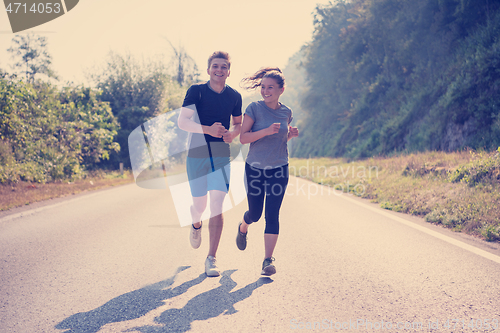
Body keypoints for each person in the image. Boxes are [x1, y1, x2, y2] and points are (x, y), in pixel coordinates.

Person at [178, 51, 242, 277]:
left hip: (220, 153)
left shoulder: (234, 96)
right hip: (196, 152)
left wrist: (232, 135)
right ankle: (196, 223)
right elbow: (183, 122)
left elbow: (238, 125)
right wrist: (208, 129)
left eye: (224, 67)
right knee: (200, 206)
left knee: (217, 203)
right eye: (216, 66)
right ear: (208, 70)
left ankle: (211, 258)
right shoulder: (196, 91)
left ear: (228, 71)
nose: (219, 70)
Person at [236, 67, 299, 276]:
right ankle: (243, 226)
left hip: (279, 167)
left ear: (281, 89)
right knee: (255, 213)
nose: (265, 91)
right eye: (263, 87)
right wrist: (265, 131)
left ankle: (267, 260)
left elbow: (278, 140)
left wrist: (290, 135)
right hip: (255, 167)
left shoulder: (286, 112)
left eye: (270, 87)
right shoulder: (254, 108)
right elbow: (243, 138)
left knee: (272, 214)